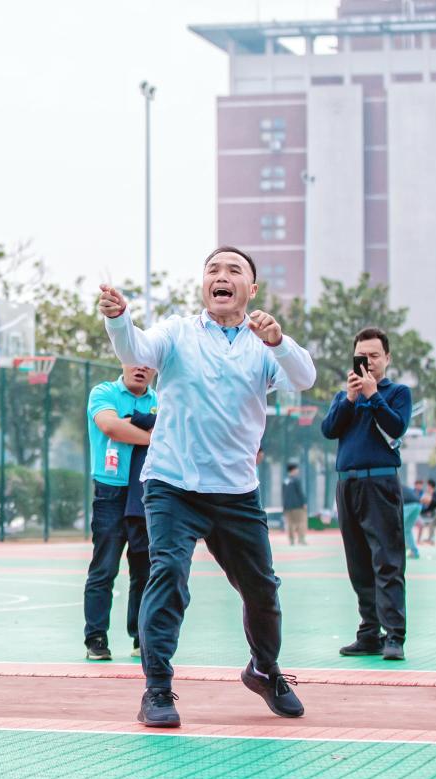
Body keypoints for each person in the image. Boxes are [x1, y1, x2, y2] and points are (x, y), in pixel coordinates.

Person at [98, 245, 316, 728]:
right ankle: (157, 689)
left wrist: (279, 341)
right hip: (172, 484)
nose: (222, 276)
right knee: (168, 575)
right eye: (213, 269)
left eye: (234, 270)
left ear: (250, 289)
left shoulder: (264, 343)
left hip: (236, 491)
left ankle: (264, 670)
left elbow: (304, 378)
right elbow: (135, 350)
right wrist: (119, 319)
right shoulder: (177, 333)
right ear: (204, 285)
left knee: (262, 590)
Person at [320, 326, 412, 662]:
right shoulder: (346, 396)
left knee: (387, 561)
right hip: (347, 485)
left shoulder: (397, 393)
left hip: (380, 484)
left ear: (387, 358)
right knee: (358, 563)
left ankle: (394, 635)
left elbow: (396, 427)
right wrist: (350, 398)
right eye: (362, 356)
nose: (368, 361)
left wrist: (374, 396)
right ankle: (369, 633)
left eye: (374, 355)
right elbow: (329, 429)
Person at [83, 364, 157, 661]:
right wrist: (153, 434)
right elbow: (110, 427)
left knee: (144, 570)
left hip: (146, 492)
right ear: (123, 361)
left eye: (148, 362)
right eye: (134, 359)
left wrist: (132, 426)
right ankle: (96, 637)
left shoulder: (161, 400)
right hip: (110, 491)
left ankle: (141, 636)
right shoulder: (104, 392)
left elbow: (175, 431)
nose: (141, 367)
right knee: (104, 568)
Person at [281, 463, 307, 546]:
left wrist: (284, 506)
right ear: (294, 470)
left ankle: (291, 540)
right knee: (301, 522)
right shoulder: (296, 480)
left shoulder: (285, 481)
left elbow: (283, 494)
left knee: (290, 524)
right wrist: (304, 503)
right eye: (297, 469)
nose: (298, 471)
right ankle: (301, 539)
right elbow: (300, 492)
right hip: (298, 506)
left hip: (287, 506)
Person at [401, 481, 422, 560]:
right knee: (407, 530)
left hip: (408, 505)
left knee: (396, 527)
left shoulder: (390, 486)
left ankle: (397, 550)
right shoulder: (402, 486)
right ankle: (414, 552)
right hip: (418, 505)